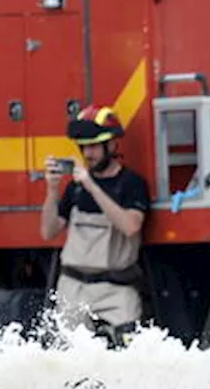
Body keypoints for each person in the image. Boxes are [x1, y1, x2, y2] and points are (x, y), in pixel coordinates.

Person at [40, 104, 151, 347]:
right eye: (83, 147)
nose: (87, 154)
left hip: (116, 289)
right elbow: (48, 231)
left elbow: (131, 227)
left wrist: (92, 187)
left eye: (93, 146)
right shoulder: (75, 188)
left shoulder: (131, 184)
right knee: (70, 360)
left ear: (111, 145)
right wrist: (52, 190)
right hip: (73, 287)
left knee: (129, 352)